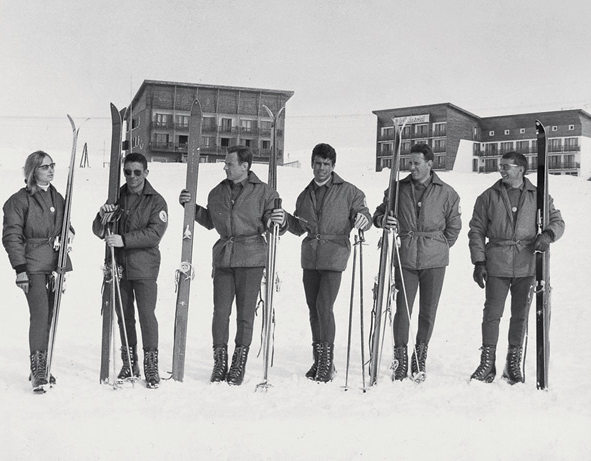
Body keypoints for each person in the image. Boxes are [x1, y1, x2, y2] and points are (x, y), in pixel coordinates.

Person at [179, 146, 284, 386]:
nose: (225, 167)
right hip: (224, 258)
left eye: (229, 163)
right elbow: (210, 221)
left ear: (245, 166)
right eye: (225, 164)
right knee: (220, 313)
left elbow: (273, 220)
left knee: (245, 315)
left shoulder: (264, 192)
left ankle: (239, 363)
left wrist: (276, 219)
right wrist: (191, 207)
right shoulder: (217, 192)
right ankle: (220, 362)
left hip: (251, 258)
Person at [468, 151, 564, 384]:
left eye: (506, 166)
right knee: (492, 314)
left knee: (520, 315)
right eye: (501, 165)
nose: (501, 170)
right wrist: (479, 262)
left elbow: (557, 221)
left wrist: (548, 235)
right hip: (497, 262)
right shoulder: (488, 196)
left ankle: (513, 365)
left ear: (520, 169)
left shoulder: (538, 195)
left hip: (527, 264)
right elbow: (476, 231)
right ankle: (487, 363)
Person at [373, 143, 461, 381]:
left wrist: (439, 246)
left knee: (428, 312)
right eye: (409, 163)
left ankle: (419, 356)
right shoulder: (397, 188)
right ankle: (400, 359)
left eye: (416, 163)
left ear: (430, 164)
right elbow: (378, 214)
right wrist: (384, 221)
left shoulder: (447, 192)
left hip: (435, 261)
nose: (411, 167)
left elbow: (454, 226)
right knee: (403, 310)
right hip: (405, 258)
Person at [285, 143, 372, 383]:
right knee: (314, 310)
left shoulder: (349, 191)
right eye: (318, 163)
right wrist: (284, 219)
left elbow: (364, 213)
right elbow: (299, 227)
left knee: (324, 306)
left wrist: (363, 219)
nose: (321, 169)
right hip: (310, 256)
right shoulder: (305, 194)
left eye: (326, 164)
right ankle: (320, 359)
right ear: (312, 164)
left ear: (333, 166)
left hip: (334, 255)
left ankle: (327, 363)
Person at [92, 153, 168, 389]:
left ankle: (151, 365)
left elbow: (155, 233)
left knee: (146, 314)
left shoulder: (156, 201)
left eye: (137, 172)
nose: (132, 177)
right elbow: (98, 229)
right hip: (120, 266)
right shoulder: (118, 198)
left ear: (146, 172)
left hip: (144, 265)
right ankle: (129, 361)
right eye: (128, 172)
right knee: (124, 315)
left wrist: (123, 239)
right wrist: (103, 217)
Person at [2, 150, 74, 393]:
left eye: (52, 165)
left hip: (55, 263)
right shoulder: (19, 200)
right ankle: (38, 368)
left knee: (51, 315)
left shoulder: (59, 197)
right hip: (32, 264)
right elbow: (11, 237)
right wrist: (20, 269)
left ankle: (44, 363)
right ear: (33, 171)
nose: (51, 170)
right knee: (40, 314)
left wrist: (68, 235)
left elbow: (66, 225)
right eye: (45, 167)